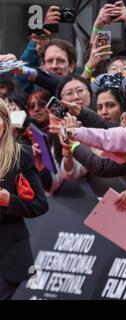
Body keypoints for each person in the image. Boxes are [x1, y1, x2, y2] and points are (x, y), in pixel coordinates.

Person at [0, 98, 48, 299]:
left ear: (5, 121)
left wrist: (9, 200)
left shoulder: (21, 156)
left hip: (7, 255)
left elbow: (39, 205)